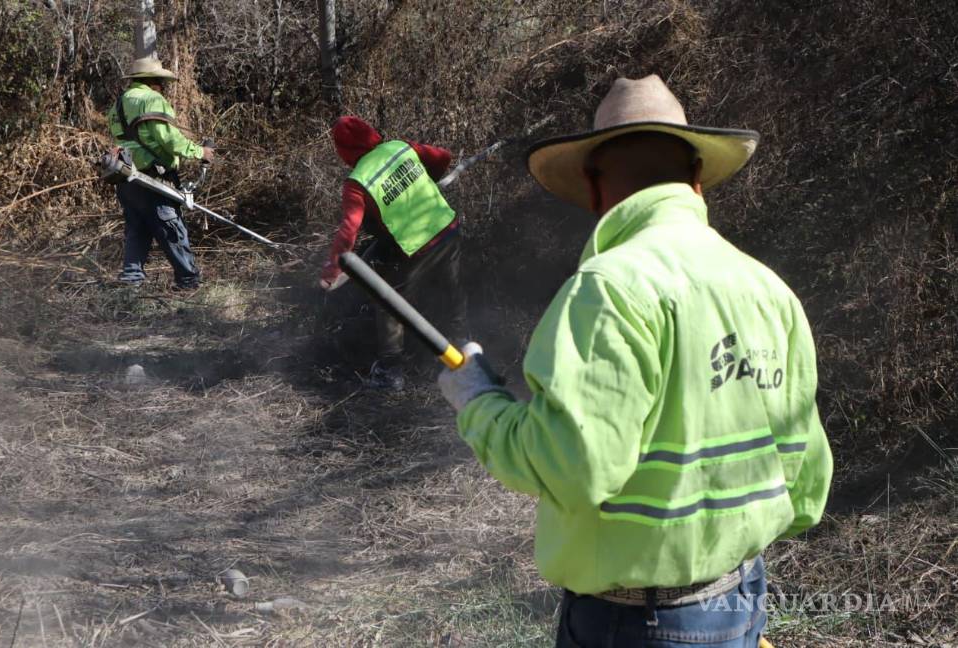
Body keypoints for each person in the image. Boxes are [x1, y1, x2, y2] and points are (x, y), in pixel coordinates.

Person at [437, 75, 832, 647]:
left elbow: (572, 466)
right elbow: (805, 481)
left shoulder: (610, 289)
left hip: (641, 626)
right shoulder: (767, 289)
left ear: (595, 188)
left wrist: (478, 402)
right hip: (742, 597)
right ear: (697, 179)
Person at [321, 116, 465, 390]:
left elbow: (349, 228)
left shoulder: (357, 182)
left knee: (388, 302)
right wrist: (427, 179)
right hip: (447, 229)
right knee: (452, 290)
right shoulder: (400, 147)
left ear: (344, 151)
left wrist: (332, 270)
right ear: (371, 133)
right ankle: (462, 351)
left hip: (414, 248)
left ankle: (391, 370)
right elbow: (443, 157)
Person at [107, 57, 215, 290]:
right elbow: (168, 139)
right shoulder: (152, 99)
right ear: (153, 80)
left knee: (137, 229)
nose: (163, 87)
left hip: (126, 177)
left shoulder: (119, 103)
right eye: (161, 82)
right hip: (153, 178)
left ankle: (131, 282)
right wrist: (200, 152)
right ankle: (188, 282)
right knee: (171, 229)